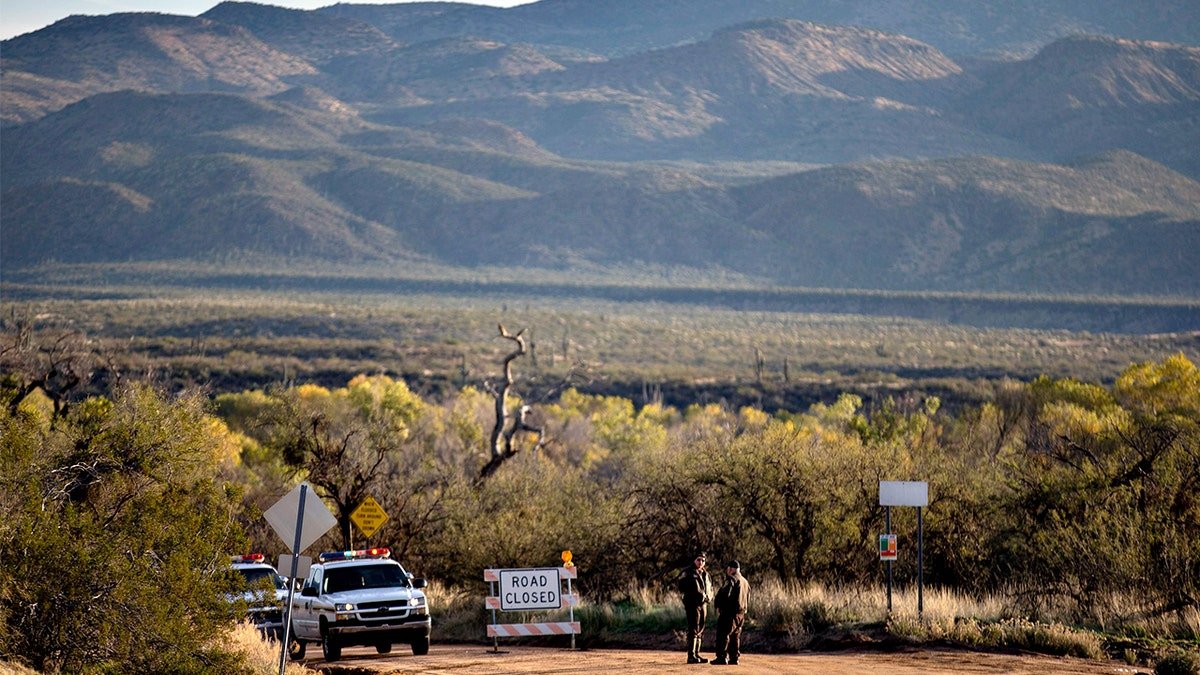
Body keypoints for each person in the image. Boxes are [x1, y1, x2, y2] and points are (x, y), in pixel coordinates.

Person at [677, 551, 712, 664]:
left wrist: (709, 597)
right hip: (692, 604)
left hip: (703, 604)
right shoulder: (688, 572)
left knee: (701, 628)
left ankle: (697, 654)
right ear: (694, 560)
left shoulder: (706, 574)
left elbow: (710, 588)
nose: (701, 562)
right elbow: (681, 587)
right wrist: (694, 592)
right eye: (698, 560)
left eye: (703, 560)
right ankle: (691, 655)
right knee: (693, 628)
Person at [712, 560, 749, 666]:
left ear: (731, 569)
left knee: (723, 634)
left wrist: (719, 605)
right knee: (735, 635)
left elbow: (725, 594)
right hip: (741, 613)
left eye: (728, 568)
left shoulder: (731, 579)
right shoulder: (745, 581)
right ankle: (734, 658)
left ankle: (722, 657)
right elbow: (747, 597)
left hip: (729, 612)